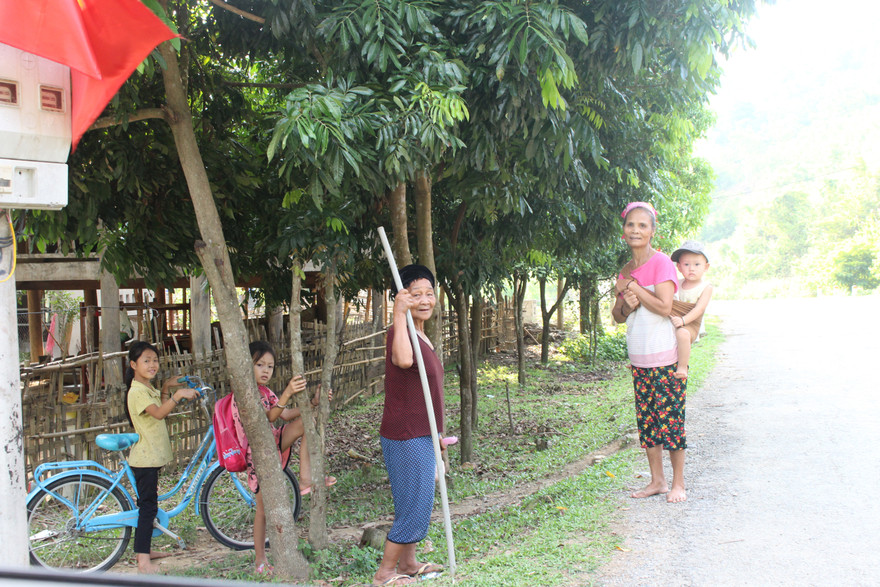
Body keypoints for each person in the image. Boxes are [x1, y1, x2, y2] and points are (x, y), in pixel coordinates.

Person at [373, 265, 446, 586]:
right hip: (405, 434)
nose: (425, 299)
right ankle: (385, 573)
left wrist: (439, 436)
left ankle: (409, 562)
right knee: (415, 506)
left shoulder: (420, 332)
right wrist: (397, 314)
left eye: (429, 293)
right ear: (401, 298)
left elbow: (429, 392)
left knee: (412, 500)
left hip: (422, 433)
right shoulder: (399, 330)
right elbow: (402, 360)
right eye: (416, 294)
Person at [236, 340, 335, 575]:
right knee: (261, 510)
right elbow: (270, 416)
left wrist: (313, 402)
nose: (265, 371)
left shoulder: (266, 392)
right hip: (259, 455)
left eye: (270, 366)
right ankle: (260, 560)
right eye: (259, 364)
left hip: (274, 442)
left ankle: (305, 479)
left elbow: (286, 414)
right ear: (246, 366)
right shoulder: (245, 393)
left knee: (307, 421)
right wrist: (288, 392)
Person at [611, 202, 687, 504]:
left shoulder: (662, 263)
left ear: (652, 231)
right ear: (624, 231)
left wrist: (634, 288)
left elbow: (665, 307)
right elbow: (618, 315)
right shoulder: (625, 270)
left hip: (665, 357)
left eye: (643, 225)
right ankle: (657, 481)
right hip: (639, 358)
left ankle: (678, 484)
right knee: (648, 425)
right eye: (631, 225)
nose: (636, 230)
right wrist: (626, 302)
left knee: (671, 423)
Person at [124, 341, 198, 574]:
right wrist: (177, 395)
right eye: (146, 360)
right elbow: (158, 413)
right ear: (133, 364)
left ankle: (145, 549)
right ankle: (143, 561)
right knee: (147, 508)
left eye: (155, 360)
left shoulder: (147, 388)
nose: (152, 364)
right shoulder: (136, 391)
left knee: (150, 506)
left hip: (151, 457)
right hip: (144, 459)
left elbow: (159, 403)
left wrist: (166, 386)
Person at [669, 240, 714, 380]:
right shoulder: (677, 283)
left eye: (697, 264)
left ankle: (683, 366)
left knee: (682, 333)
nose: (691, 268)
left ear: (706, 267)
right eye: (686, 264)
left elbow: (699, 310)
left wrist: (683, 320)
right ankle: (641, 359)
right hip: (674, 319)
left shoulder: (706, 287)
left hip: (690, 323)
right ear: (679, 267)